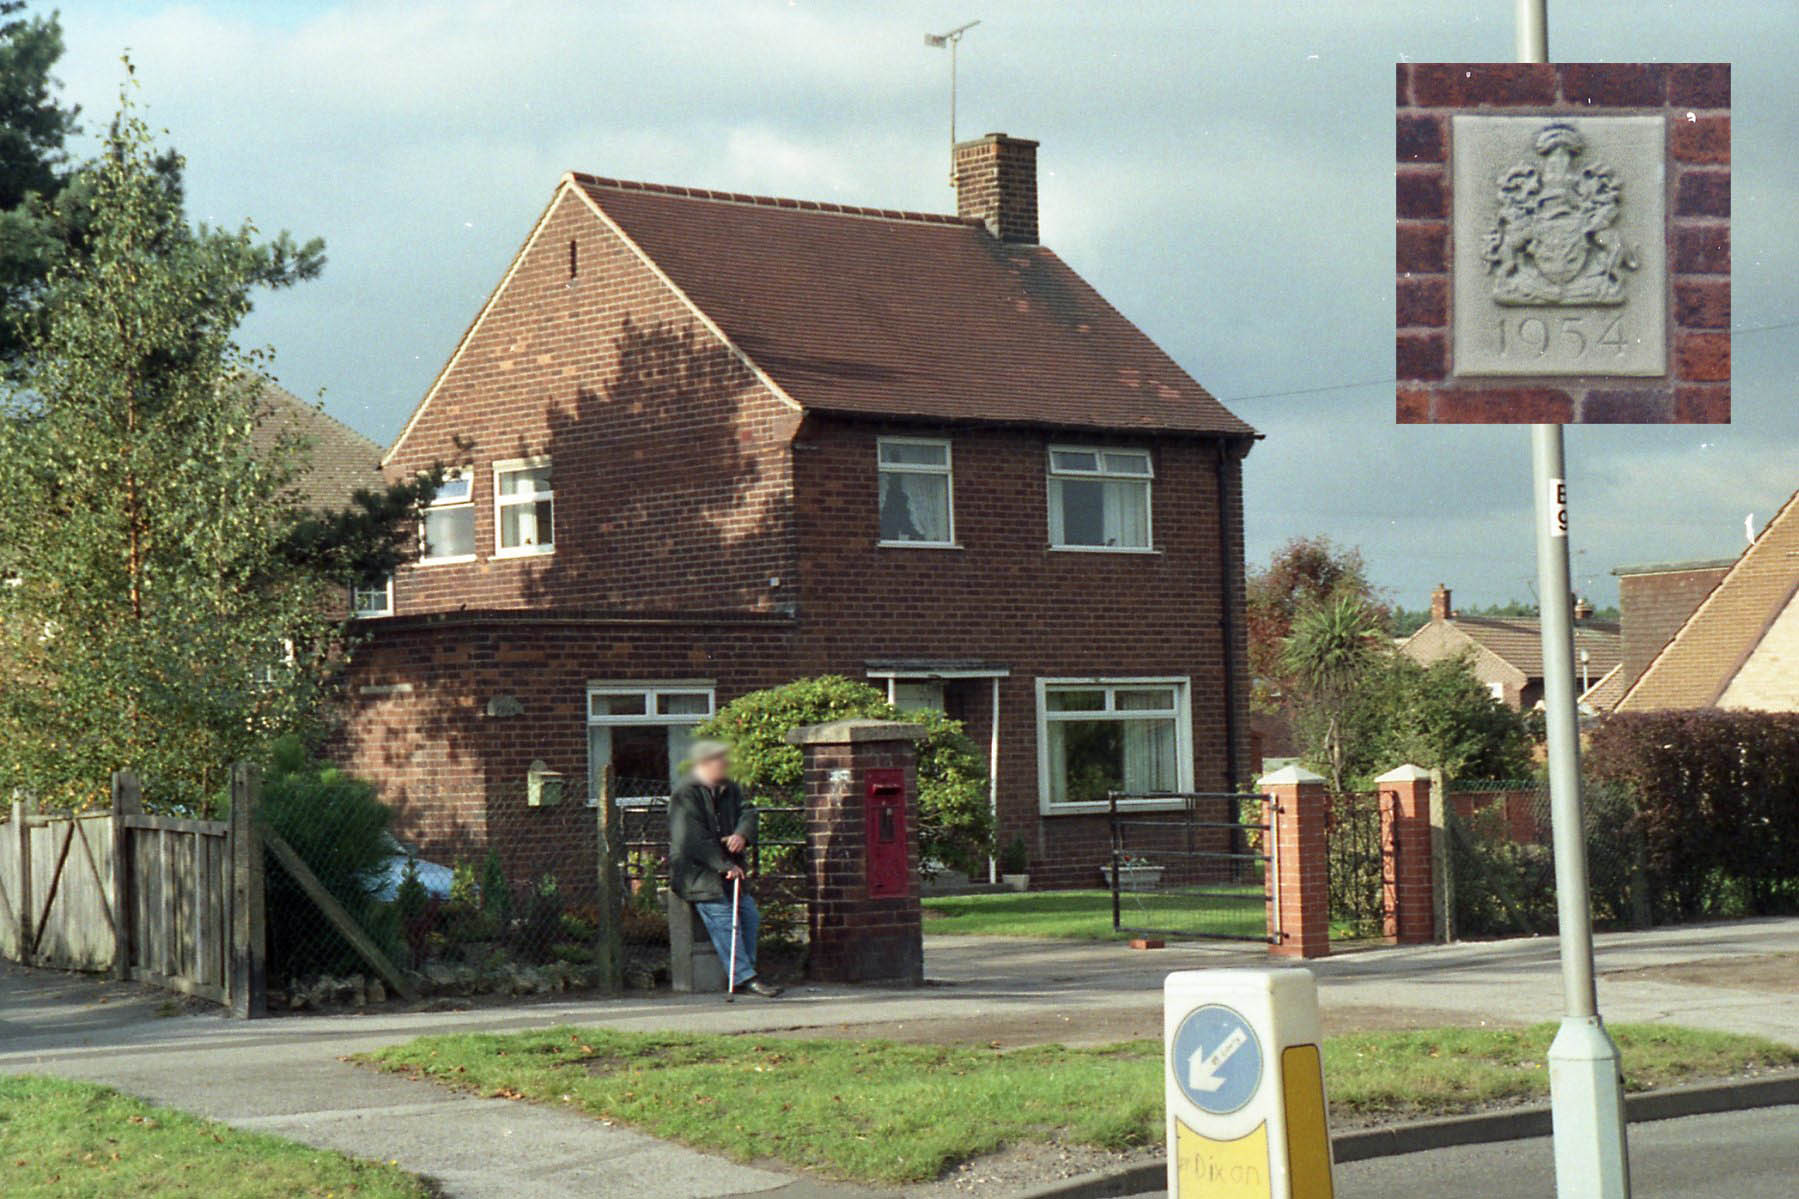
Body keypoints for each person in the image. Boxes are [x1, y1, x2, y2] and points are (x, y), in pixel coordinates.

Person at [668, 739, 782, 998]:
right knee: (723, 918)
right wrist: (723, 865)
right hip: (698, 874)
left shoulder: (730, 789)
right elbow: (692, 839)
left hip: (730, 871)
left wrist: (742, 834)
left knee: (749, 914)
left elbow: (748, 812)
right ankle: (744, 976)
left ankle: (746, 971)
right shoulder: (685, 794)